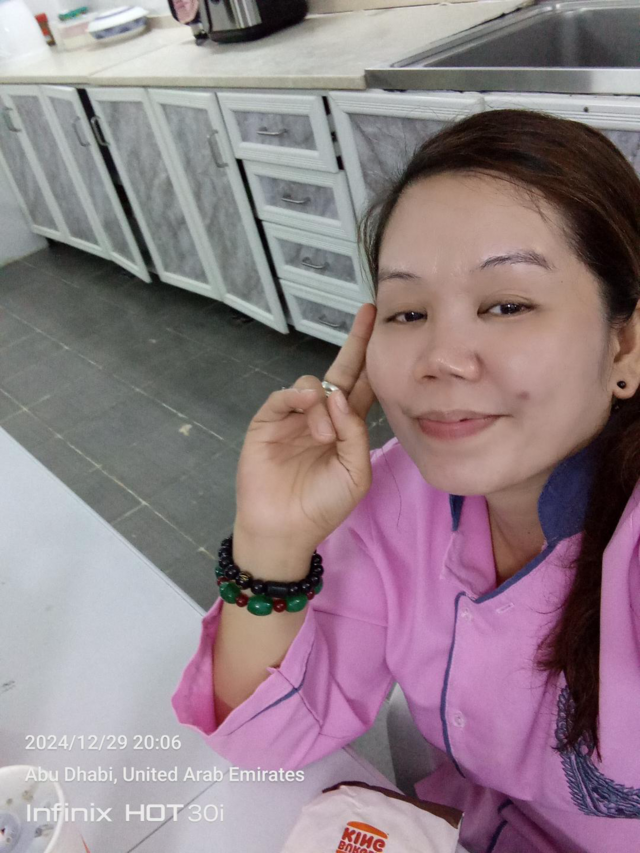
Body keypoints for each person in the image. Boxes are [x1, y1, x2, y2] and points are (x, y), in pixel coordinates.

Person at [171, 108, 640, 853]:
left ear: (625, 343)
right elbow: (266, 738)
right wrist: (272, 539)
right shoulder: (398, 496)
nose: (440, 357)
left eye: (507, 304)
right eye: (408, 311)